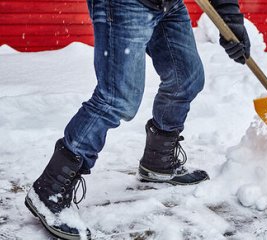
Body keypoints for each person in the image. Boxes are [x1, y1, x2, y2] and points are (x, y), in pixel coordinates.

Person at [24, 0, 250, 239]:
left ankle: (158, 160)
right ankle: (50, 188)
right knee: (116, 98)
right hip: (125, 4)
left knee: (186, 79)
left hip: (168, 4)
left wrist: (230, 19)